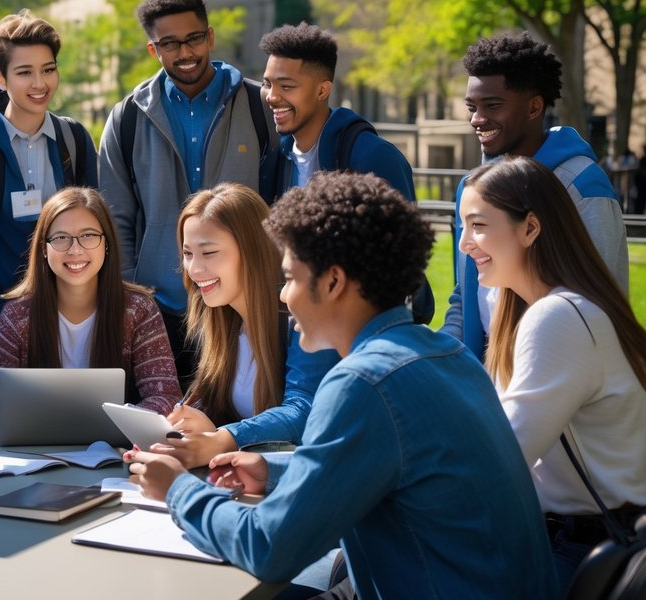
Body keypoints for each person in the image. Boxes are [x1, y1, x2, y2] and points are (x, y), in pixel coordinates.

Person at [125, 173, 558, 600]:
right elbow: (390, 465)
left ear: (333, 282)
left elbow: (269, 548)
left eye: (291, 278)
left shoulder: (362, 383)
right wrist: (271, 469)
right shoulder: (448, 354)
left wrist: (179, 489)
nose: (283, 296)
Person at [459, 157, 646, 589]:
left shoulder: (558, 317)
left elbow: (498, 458)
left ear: (530, 228)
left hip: (582, 552)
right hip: (558, 536)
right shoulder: (533, 312)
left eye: (479, 225)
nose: (465, 243)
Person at [99, 0, 277, 385]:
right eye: (170, 44)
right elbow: (116, 220)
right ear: (153, 49)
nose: (185, 52)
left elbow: (278, 201)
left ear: (210, 36)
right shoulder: (126, 119)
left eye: (194, 38)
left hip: (242, 307)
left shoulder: (257, 106)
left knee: (236, 426)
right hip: (159, 310)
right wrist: (132, 299)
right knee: (164, 427)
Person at [444, 32, 628, 360]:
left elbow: (600, 307)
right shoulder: (472, 189)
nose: (477, 119)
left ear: (534, 107)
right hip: (486, 385)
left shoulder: (582, 187)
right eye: (472, 107)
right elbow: (465, 295)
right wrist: (446, 361)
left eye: (492, 105)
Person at [0, 10, 98, 371]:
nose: (40, 83)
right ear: (0, 78)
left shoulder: (74, 140)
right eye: (24, 72)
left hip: (71, 321)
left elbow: (96, 227)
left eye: (48, 69)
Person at [151, 184, 336, 469]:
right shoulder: (220, 322)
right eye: (188, 254)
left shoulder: (301, 321)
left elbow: (302, 412)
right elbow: (214, 411)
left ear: (252, 251)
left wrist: (222, 437)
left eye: (209, 252)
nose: (195, 270)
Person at [259, 23, 432, 323]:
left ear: (323, 89)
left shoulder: (374, 157)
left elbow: (404, 265)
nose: (272, 97)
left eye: (286, 86)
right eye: (267, 84)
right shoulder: (276, 157)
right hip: (294, 331)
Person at [0, 187, 180, 414]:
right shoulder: (16, 315)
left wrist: (119, 423)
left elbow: (165, 395)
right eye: (61, 238)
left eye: (88, 236)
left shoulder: (138, 310)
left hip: (118, 447)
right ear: (43, 249)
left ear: (107, 244)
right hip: (33, 447)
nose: (75, 250)